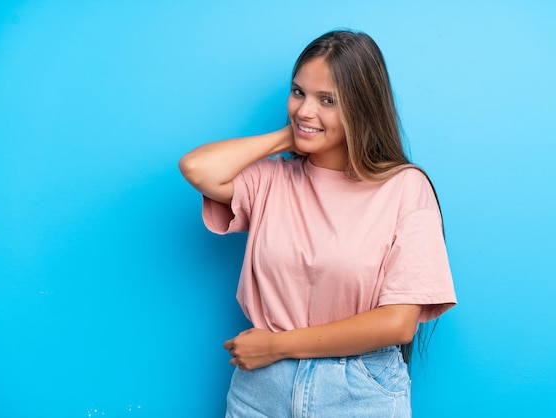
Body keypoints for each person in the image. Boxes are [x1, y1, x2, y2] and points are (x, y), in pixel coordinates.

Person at [179, 29, 456, 418]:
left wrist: (278, 346)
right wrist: (288, 137)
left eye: (327, 100)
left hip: (358, 389)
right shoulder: (272, 179)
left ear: (362, 109)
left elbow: (398, 324)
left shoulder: (405, 189)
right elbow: (196, 168)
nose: (305, 109)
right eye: (298, 93)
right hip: (261, 391)